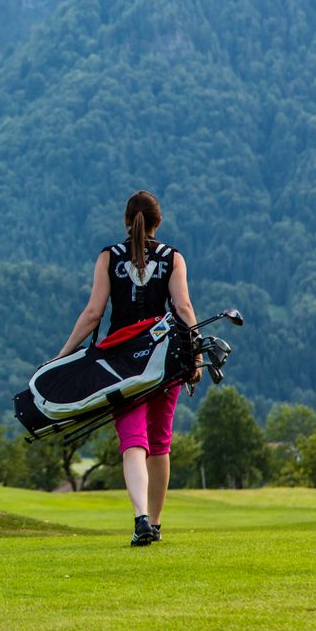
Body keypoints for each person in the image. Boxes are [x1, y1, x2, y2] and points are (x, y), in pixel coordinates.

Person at [53, 190, 201, 546]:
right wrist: (195, 356)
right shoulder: (172, 258)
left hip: (120, 363)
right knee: (160, 442)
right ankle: (157, 522)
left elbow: (93, 314)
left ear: (125, 221)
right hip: (164, 359)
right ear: (158, 222)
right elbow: (183, 307)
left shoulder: (109, 257)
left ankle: (140, 520)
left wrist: (62, 357)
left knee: (133, 440)